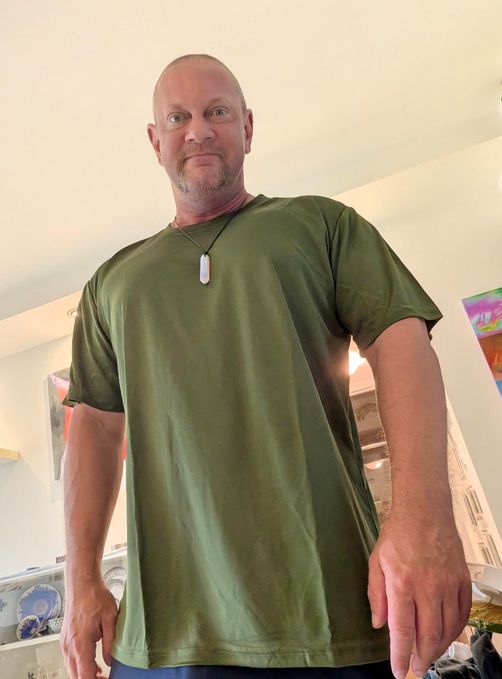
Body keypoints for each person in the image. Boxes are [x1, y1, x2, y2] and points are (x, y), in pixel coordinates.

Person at [60, 54, 472, 679]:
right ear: (155, 140)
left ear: (248, 127)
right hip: (164, 638)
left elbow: (401, 340)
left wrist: (424, 519)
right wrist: (81, 579)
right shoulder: (111, 284)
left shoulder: (321, 225)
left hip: (331, 619)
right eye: (178, 117)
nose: (198, 130)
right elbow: (92, 425)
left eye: (217, 111)